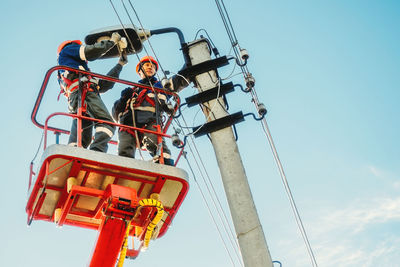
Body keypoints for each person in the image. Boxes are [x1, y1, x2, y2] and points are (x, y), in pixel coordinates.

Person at [57, 33, 128, 152]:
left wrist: (119, 65)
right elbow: (89, 52)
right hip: (84, 93)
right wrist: (111, 42)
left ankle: (74, 152)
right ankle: (97, 152)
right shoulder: (68, 49)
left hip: (80, 95)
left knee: (82, 131)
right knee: (106, 123)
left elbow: (105, 84)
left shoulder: (81, 73)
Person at [112, 56, 187, 166]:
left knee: (154, 143)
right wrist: (123, 99)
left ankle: (165, 165)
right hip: (128, 124)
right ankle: (124, 170)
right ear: (139, 71)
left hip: (150, 121)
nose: (150, 67)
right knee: (124, 148)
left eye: (152, 67)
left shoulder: (160, 86)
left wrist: (189, 64)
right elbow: (115, 114)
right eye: (147, 65)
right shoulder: (132, 91)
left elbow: (179, 80)